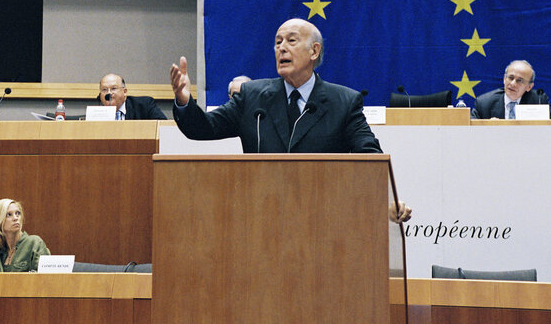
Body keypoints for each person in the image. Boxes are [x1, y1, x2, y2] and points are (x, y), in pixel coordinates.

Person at [170, 18, 411, 222]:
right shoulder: (253, 97)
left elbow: (369, 157)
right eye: (277, 42)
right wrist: (183, 100)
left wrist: (385, 201)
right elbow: (203, 128)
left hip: (323, 221)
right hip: (259, 217)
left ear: (314, 51)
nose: (281, 48)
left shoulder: (343, 102)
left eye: (291, 40)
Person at [0, 199, 51, 272]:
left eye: (18, 213)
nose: (15, 218)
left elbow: (45, 277)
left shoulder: (34, 243)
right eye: (8, 215)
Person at [471, 60, 550, 119]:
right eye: (510, 78)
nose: (512, 83)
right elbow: (471, 132)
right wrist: (489, 128)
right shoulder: (484, 103)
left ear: (529, 87)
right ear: (504, 79)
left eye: (519, 80)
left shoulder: (539, 101)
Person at [99, 73, 167, 120]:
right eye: (104, 89)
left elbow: (163, 127)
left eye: (114, 88)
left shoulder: (145, 106)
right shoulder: (96, 114)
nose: (109, 93)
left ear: (124, 92)